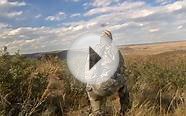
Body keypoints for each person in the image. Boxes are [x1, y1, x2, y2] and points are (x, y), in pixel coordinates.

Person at [86, 30, 131, 116]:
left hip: (95, 88)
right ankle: (125, 111)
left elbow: (89, 73)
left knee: (89, 85)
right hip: (110, 86)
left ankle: (96, 111)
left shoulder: (94, 50)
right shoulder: (115, 51)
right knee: (124, 82)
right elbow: (122, 69)